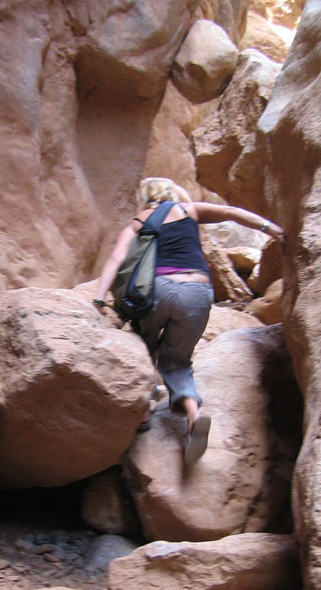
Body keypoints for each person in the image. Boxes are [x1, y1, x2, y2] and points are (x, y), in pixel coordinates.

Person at [93, 177, 284, 465]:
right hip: (198, 292)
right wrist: (273, 229)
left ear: (147, 196)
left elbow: (117, 258)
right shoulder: (189, 210)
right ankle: (194, 416)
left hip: (158, 288)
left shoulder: (139, 220)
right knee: (177, 359)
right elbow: (233, 213)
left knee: (141, 346)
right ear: (172, 193)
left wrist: (98, 297)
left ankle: (142, 409)